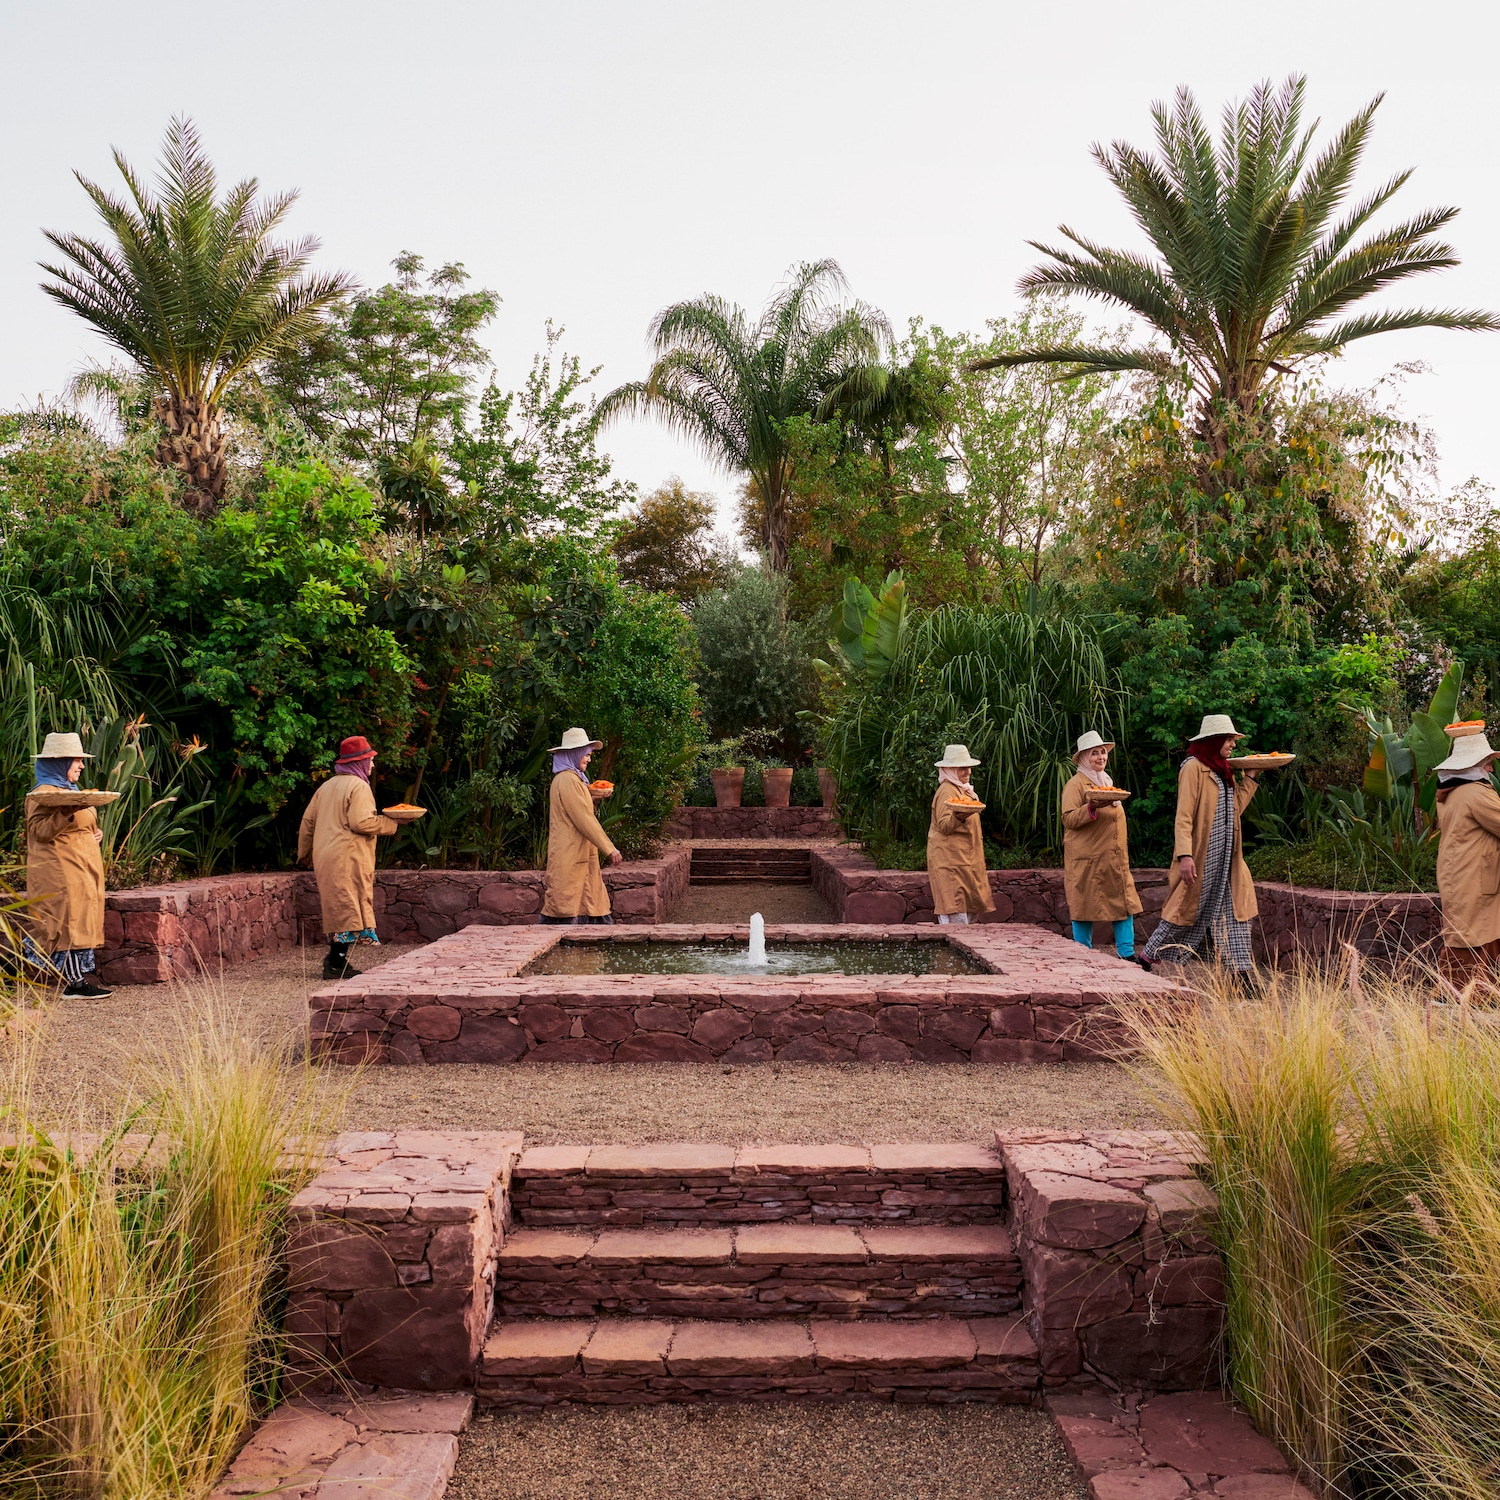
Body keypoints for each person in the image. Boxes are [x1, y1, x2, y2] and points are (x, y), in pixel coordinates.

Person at [1141, 714, 1260, 971]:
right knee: (1186, 909)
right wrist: (1185, 855)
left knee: (1235, 913)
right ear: (1214, 739)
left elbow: (1232, 809)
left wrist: (1250, 779)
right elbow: (1183, 816)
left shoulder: (1223, 769)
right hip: (1202, 855)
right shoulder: (1193, 767)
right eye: (1229, 739)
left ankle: (1243, 976)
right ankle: (1147, 958)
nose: (1233, 745)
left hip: (1228, 856)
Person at [297, 735, 398, 980]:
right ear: (359, 763)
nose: (372, 766)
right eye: (370, 761)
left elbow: (308, 822)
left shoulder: (327, 786)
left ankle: (336, 961)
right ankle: (334, 963)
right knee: (349, 907)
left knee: (343, 907)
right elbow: (361, 821)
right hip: (347, 856)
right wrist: (391, 824)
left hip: (327, 855)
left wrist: (305, 853)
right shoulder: (358, 786)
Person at [24, 731, 113, 998]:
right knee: (67, 923)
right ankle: (74, 983)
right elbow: (38, 830)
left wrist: (94, 833)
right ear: (60, 763)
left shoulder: (69, 790)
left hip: (80, 869)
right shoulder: (42, 794)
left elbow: (82, 824)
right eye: (77, 760)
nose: (82, 765)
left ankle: (76, 981)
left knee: (78, 921)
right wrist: (66, 814)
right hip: (59, 870)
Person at [1061, 730, 1146, 967]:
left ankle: (1126, 953)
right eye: (1095, 753)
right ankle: (1082, 953)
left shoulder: (1107, 783)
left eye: (1102, 752)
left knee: (1123, 901)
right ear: (1084, 757)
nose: (1100, 757)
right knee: (1084, 905)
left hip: (1113, 858)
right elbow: (1068, 818)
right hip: (1087, 858)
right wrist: (1091, 807)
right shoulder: (1075, 784)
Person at [1433, 728, 1500, 988]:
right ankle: (1456, 994)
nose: (1491, 770)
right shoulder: (1475, 793)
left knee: (1483, 930)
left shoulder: (1450, 791)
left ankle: (1482, 992)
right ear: (1475, 765)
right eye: (1488, 763)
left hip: (1463, 871)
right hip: (1473, 875)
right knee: (1470, 934)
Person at [542, 727, 622, 925]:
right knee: (566, 908)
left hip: (578, 854)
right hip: (570, 854)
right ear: (574, 753)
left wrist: (592, 796)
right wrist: (609, 848)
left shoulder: (573, 779)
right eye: (586, 755)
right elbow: (583, 818)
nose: (589, 759)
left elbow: (578, 808)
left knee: (587, 903)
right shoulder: (568, 780)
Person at [927, 743, 994, 926]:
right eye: (962, 768)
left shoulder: (964, 790)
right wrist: (959, 815)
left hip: (964, 860)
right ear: (950, 769)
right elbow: (944, 825)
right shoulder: (947, 791)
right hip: (950, 862)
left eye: (969, 768)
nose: (968, 772)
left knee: (968, 912)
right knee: (955, 914)